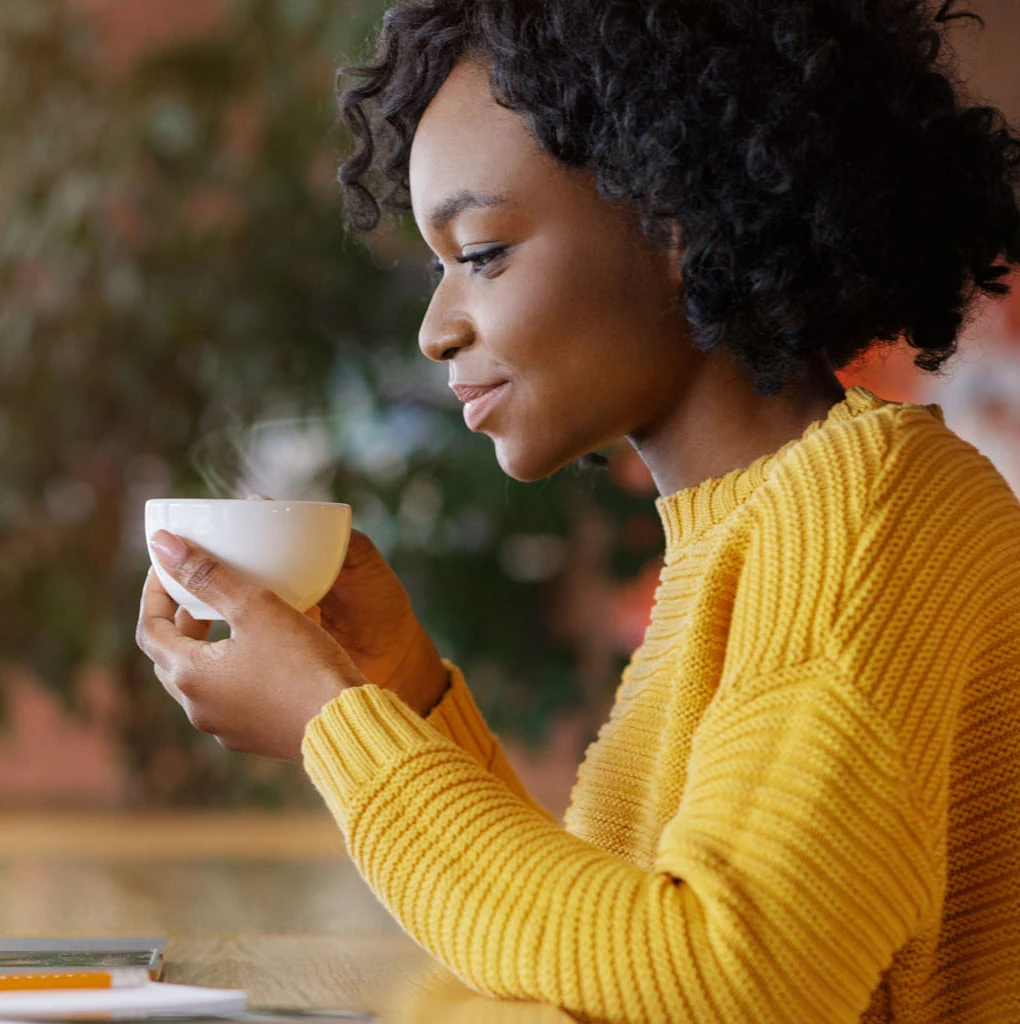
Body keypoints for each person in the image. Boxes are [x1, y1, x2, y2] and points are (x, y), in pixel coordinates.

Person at [134, 1, 1020, 1021]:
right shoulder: (751, 526)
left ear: (679, 222)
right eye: (437, 268)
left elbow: (732, 977)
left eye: (481, 253)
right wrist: (402, 692)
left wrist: (329, 725)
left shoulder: (870, 508)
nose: (436, 328)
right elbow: (600, 948)